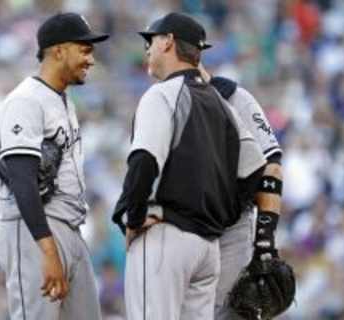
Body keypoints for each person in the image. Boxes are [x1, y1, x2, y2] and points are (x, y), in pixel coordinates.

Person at [112, 12, 266, 320]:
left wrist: (133, 218)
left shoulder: (162, 94)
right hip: (207, 250)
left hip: (165, 237)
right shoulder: (220, 103)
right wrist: (217, 218)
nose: (147, 49)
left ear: (168, 42)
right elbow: (254, 172)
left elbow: (144, 161)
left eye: (151, 41)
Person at [0, 12, 109, 320]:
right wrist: (47, 251)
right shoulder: (25, 101)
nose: (91, 59)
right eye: (84, 49)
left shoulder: (61, 100)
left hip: (69, 228)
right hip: (33, 230)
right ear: (58, 50)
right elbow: (21, 180)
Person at [198, 67, 284, 319]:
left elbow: (272, 165)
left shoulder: (235, 97)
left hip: (231, 231)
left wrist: (265, 240)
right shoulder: (165, 103)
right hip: (186, 233)